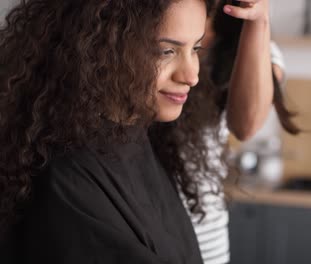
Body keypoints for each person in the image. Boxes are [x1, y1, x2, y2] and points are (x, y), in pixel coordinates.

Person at [0, 0, 224, 263]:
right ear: (102, 48)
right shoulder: (67, 179)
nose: (191, 76)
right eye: (166, 51)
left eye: (195, 48)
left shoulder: (139, 137)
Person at [184, 1, 300, 263]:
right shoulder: (144, 32)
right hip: (134, 220)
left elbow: (245, 125)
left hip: (201, 233)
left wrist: (258, 22)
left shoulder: (257, 47)